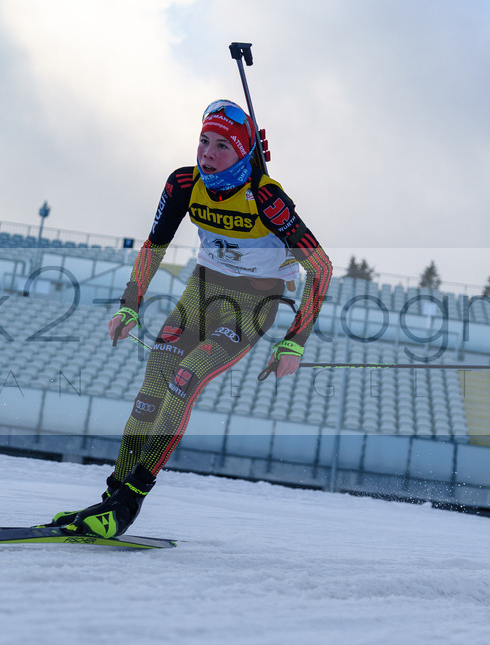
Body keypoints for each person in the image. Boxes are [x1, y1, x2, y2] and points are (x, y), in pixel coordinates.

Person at [48, 99, 333, 538]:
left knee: (185, 377)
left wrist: (295, 341)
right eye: (203, 141)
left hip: (254, 302)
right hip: (201, 290)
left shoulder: (265, 196)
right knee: (151, 388)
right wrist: (130, 303)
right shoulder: (183, 183)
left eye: (222, 145)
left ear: (244, 153)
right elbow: (154, 245)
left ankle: (130, 502)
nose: (207, 153)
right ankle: (110, 498)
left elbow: (321, 267)